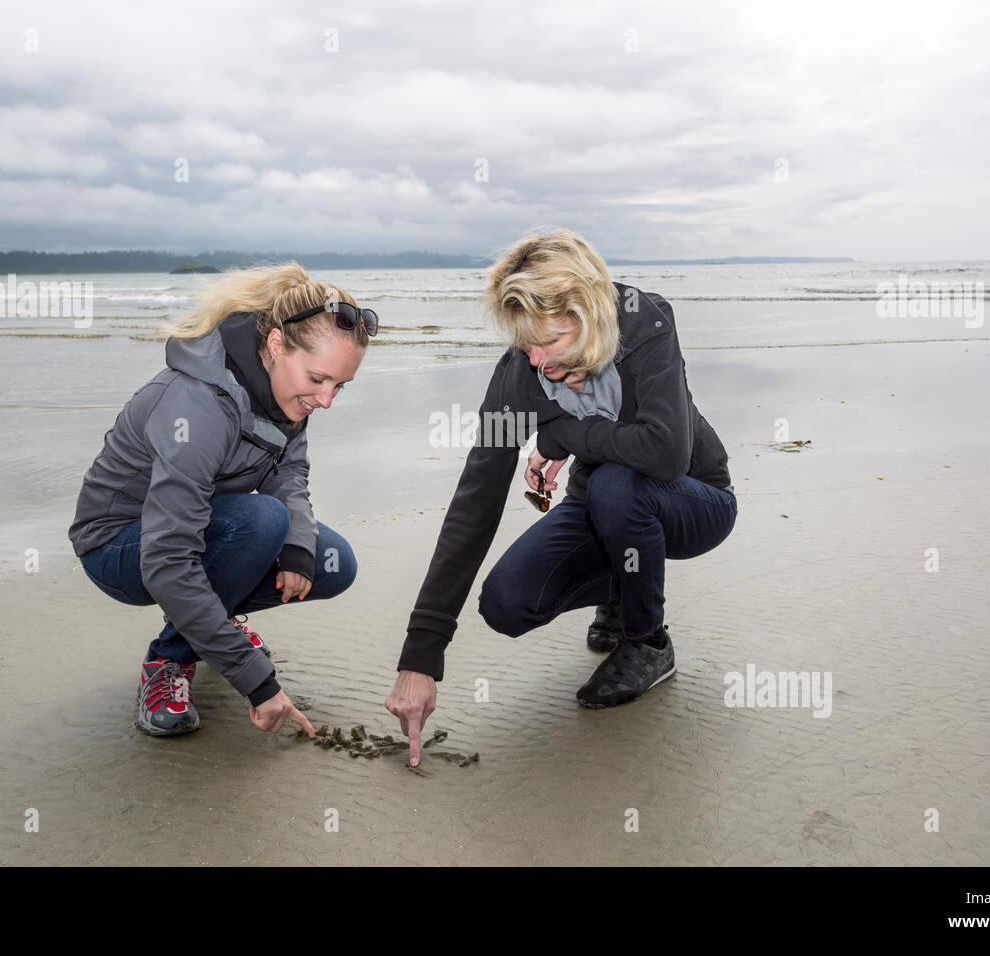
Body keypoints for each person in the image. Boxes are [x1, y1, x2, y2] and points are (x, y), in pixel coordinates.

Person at [385, 229, 736, 764]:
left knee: (620, 484)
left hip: (695, 499)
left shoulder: (645, 322)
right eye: (526, 343)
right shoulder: (519, 379)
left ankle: (648, 642)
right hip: (600, 504)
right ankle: (622, 585)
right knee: (506, 603)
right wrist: (420, 656)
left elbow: (666, 453)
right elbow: (474, 502)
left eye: (550, 342)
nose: (536, 361)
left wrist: (559, 435)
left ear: (591, 311)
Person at [68, 263, 375, 737]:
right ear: (275, 345)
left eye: (339, 385)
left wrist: (298, 546)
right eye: (318, 379)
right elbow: (168, 559)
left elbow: (288, 470)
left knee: (331, 562)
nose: (327, 399)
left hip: (199, 527)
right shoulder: (196, 404)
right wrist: (258, 682)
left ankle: (210, 623)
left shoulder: (286, 389)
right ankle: (168, 664)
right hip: (120, 546)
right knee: (262, 521)